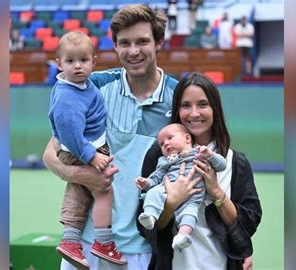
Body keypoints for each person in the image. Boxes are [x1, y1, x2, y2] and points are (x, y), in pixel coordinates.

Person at [42, 4, 179, 270]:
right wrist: (80, 175)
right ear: (115, 46)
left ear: (159, 42)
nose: (133, 51)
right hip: (86, 246)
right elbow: (51, 152)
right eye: (124, 43)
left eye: (142, 41)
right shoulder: (93, 86)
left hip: (143, 247)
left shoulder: (179, 95)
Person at [137, 72, 262, 270]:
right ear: (177, 109)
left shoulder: (235, 162)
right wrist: (171, 203)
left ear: (215, 109)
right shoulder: (160, 154)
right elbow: (145, 228)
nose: (194, 113)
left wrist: (217, 193)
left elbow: (248, 224)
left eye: (202, 104)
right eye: (186, 105)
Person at [48, 31, 127, 269]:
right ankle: (103, 241)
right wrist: (91, 156)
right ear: (59, 64)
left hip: (86, 145)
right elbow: (69, 133)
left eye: (83, 60)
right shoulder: (66, 96)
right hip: (83, 148)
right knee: (102, 189)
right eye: (70, 61)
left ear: (94, 61)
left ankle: (71, 240)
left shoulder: (84, 84)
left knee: (79, 190)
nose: (78, 66)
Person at [135, 123, 226, 250]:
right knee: (153, 193)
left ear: (187, 138)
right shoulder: (164, 161)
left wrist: (210, 155)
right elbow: (156, 177)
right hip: (167, 190)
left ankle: (183, 236)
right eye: (161, 143)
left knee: (190, 213)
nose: (165, 143)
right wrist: (146, 183)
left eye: (170, 138)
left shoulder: (199, 153)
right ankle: (150, 215)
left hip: (194, 196)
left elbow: (222, 165)